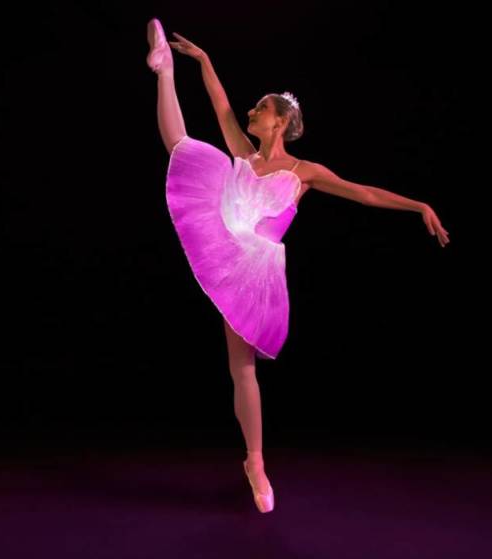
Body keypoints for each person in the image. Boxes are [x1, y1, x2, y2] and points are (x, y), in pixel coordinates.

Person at [146, 18, 450, 513]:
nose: (250, 112)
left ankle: (255, 462)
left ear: (280, 122)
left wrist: (418, 205)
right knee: (183, 147)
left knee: (242, 369)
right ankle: (163, 71)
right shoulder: (243, 154)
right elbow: (220, 104)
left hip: (252, 267)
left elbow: (363, 192)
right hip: (224, 234)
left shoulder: (303, 172)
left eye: (260, 109)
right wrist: (202, 61)